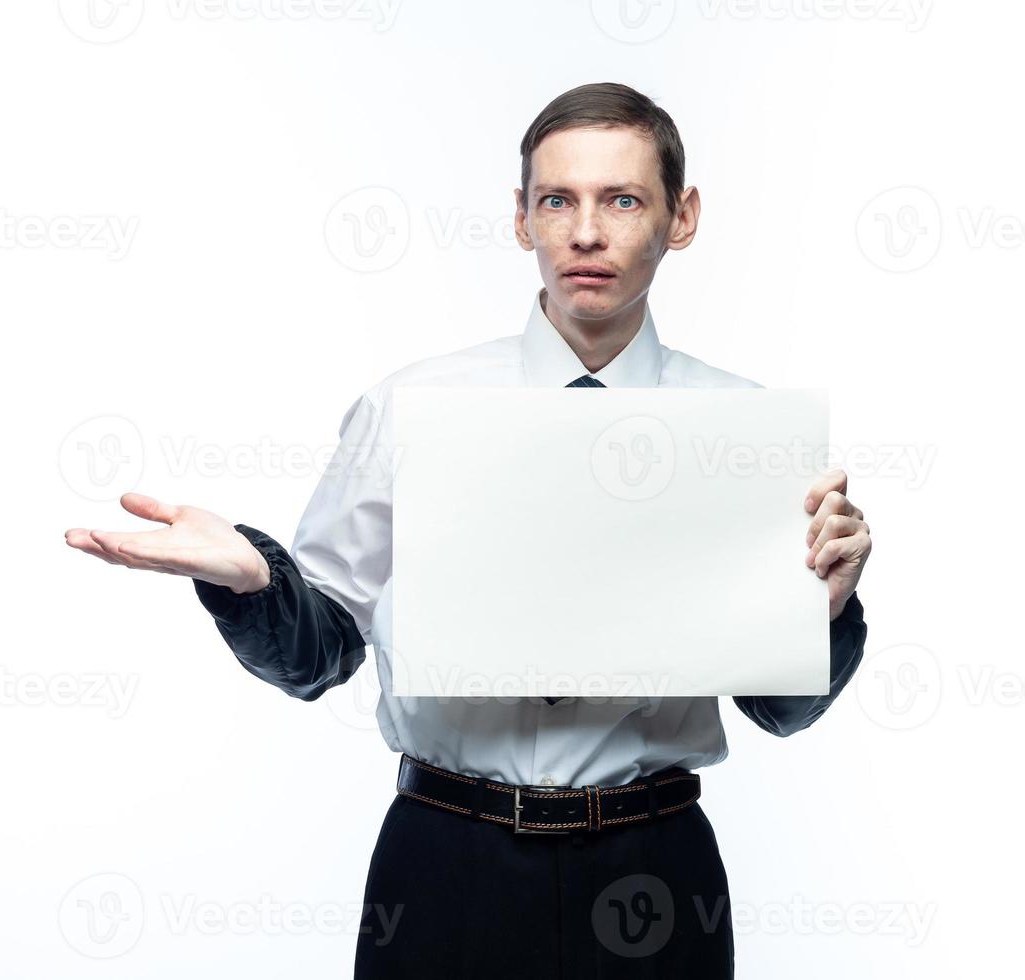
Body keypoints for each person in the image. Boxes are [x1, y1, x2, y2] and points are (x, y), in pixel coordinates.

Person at [65, 81, 872, 979]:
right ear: (521, 218)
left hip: (653, 867)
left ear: (681, 218)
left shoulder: (745, 430)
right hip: (448, 861)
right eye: (557, 199)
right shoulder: (411, 407)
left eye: (623, 199)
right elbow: (320, 655)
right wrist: (254, 580)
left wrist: (827, 610)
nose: (586, 232)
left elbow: (782, 709)